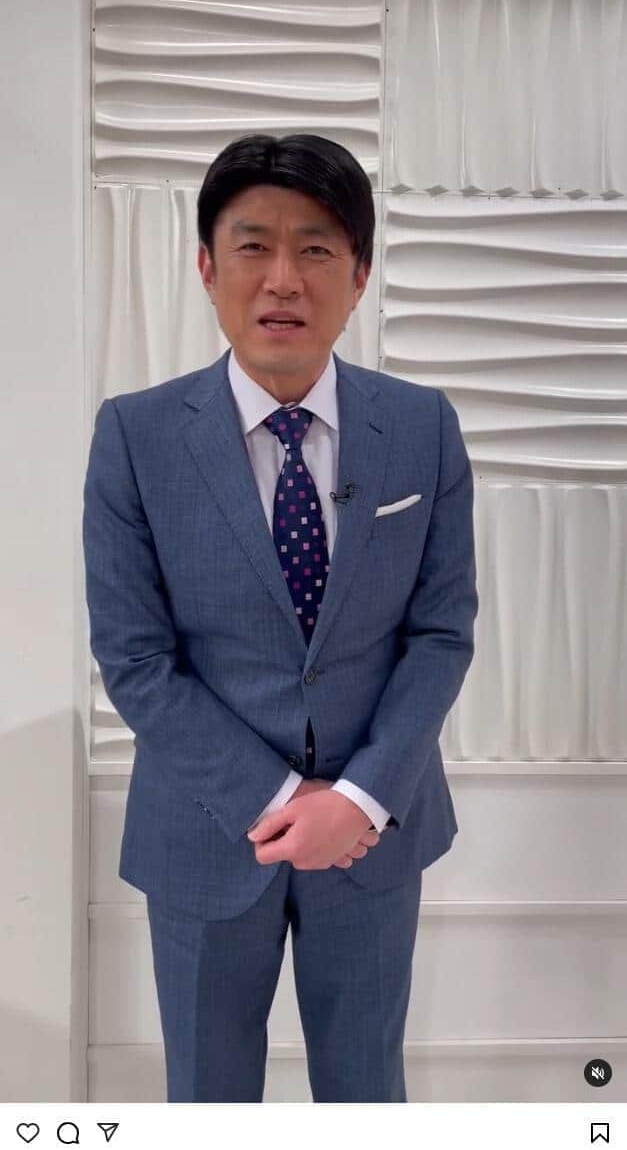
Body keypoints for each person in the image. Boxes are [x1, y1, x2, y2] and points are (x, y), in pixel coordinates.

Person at [82, 132, 478, 1103]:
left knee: (365, 1093)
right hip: (205, 829)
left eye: (316, 249)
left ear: (360, 273)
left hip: (372, 833)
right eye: (253, 246)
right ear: (207, 268)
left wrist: (357, 800)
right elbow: (135, 658)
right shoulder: (136, 433)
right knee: (208, 1098)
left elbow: (440, 633)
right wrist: (280, 798)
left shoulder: (421, 426)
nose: (283, 279)